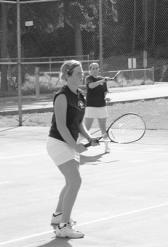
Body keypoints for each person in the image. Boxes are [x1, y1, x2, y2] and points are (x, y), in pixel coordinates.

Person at [46, 60, 98, 239]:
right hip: (58, 143)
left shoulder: (80, 95)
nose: (81, 75)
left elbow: (78, 123)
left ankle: (58, 216)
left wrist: (89, 137)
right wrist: (75, 145)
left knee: (71, 181)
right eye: (78, 73)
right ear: (67, 75)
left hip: (68, 143)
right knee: (75, 181)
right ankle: (63, 226)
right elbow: (61, 126)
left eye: (82, 72)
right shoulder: (62, 96)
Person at [84, 62, 111, 153]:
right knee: (86, 128)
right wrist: (101, 81)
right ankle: (75, 144)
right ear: (90, 70)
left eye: (96, 68)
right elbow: (91, 86)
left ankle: (107, 146)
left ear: (99, 69)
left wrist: (106, 97)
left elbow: (104, 92)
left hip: (101, 106)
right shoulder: (88, 78)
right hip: (91, 106)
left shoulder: (102, 80)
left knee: (103, 127)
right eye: (93, 68)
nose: (95, 70)